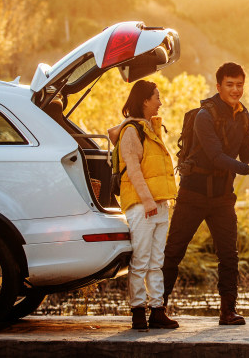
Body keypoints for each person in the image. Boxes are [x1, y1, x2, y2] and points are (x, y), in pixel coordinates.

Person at [162, 62, 249, 325]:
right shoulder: (205, 115)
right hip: (193, 193)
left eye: (239, 85)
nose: (236, 90)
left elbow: (246, 154)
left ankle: (227, 311)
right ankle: (157, 308)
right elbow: (215, 156)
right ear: (219, 86)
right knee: (174, 252)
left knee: (229, 254)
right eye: (230, 85)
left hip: (222, 196)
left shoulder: (243, 115)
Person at [108, 80, 179, 330]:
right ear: (144, 100)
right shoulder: (131, 131)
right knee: (141, 259)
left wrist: (162, 201)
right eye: (156, 97)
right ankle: (138, 311)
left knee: (156, 260)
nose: (160, 101)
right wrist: (148, 201)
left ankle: (157, 310)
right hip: (142, 205)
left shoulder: (150, 128)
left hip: (160, 204)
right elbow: (134, 170)